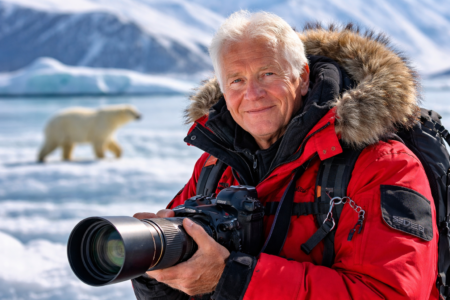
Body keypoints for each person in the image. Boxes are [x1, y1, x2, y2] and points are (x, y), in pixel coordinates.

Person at [132, 11, 439, 300]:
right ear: (222, 90)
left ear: (303, 78)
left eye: (268, 74)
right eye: (236, 80)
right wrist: (154, 269)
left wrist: (232, 279)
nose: (252, 94)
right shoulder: (215, 166)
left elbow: (389, 292)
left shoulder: (382, 165)